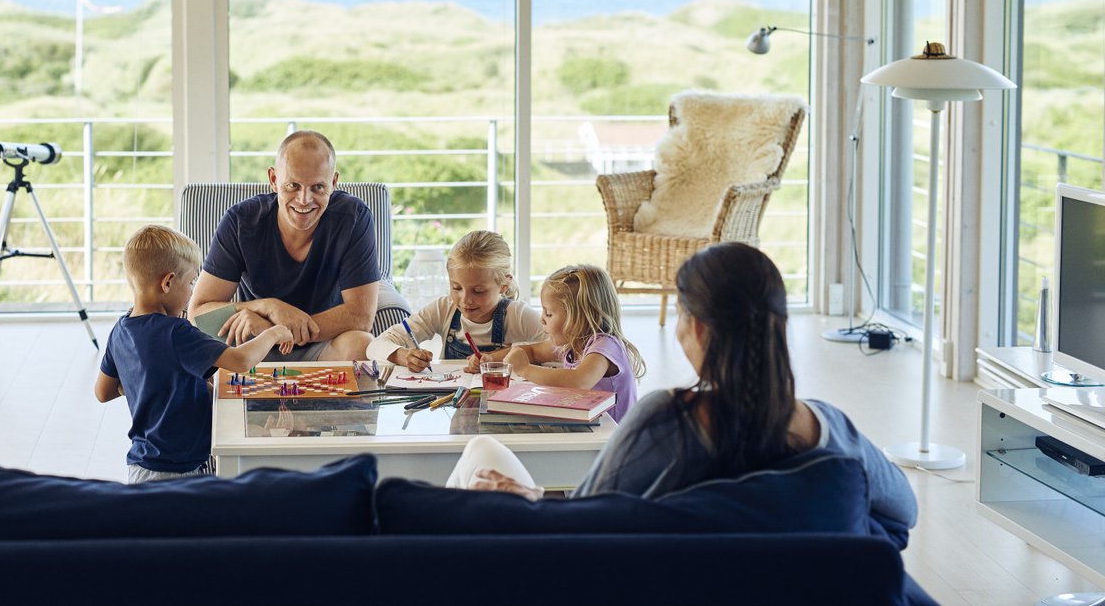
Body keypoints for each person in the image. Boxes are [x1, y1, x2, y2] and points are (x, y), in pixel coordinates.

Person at [448, 242, 918, 547]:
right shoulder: (830, 430)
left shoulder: (667, 421)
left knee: (480, 450)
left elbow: (585, 524)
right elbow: (904, 512)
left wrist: (534, 498)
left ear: (696, 328)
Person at [96, 224, 291, 483]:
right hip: (174, 473)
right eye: (190, 282)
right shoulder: (176, 332)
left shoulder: (120, 330)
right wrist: (275, 333)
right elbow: (241, 360)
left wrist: (146, 383)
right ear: (168, 282)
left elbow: (103, 392)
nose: (191, 292)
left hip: (142, 467)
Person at [188, 130, 378, 362]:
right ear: (274, 180)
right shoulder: (240, 221)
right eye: (293, 185)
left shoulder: (354, 217)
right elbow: (197, 314)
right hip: (256, 346)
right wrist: (266, 307)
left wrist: (276, 331)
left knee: (361, 345)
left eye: (318, 187)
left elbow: (360, 316)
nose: (304, 200)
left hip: (321, 343)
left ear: (334, 182)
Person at [365, 230, 544, 373]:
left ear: (504, 285)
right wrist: (402, 355)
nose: (465, 300)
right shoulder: (444, 308)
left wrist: (501, 356)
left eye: (478, 291)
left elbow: (557, 350)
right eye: (456, 287)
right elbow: (374, 346)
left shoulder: (518, 315)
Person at [501, 263, 644, 424]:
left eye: (549, 313)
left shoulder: (605, 347)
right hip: (592, 427)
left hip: (614, 435)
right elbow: (533, 351)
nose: (542, 319)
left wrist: (525, 369)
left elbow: (578, 382)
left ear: (579, 318)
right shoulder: (573, 344)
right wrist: (491, 358)